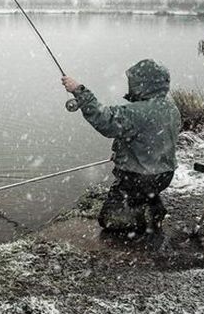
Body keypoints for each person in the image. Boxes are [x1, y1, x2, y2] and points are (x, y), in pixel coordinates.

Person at [61, 59, 181, 236]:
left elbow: (105, 120)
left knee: (109, 220)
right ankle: (152, 207)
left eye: (133, 82)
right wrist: (124, 151)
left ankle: (143, 220)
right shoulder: (171, 108)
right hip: (164, 176)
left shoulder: (136, 111)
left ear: (143, 84)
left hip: (138, 178)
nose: (130, 86)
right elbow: (150, 138)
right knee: (146, 192)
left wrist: (79, 91)